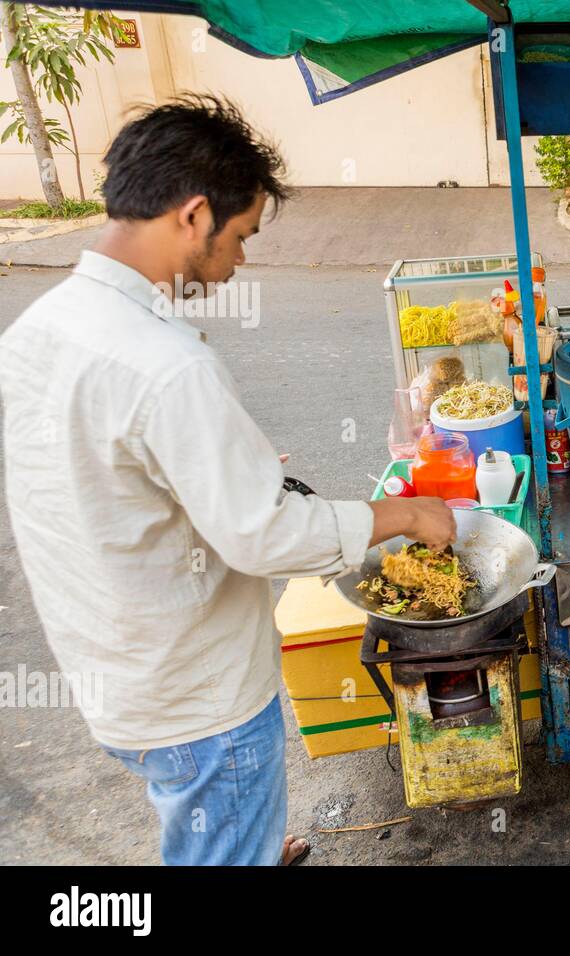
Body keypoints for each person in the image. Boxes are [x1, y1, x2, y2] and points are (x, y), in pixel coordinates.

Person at [0, 95, 457, 866]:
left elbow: (99, 484)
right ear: (193, 214)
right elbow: (263, 534)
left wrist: (218, 478)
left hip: (114, 682)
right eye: (240, 236)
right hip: (199, 704)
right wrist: (407, 515)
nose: (239, 260)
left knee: (210, 827)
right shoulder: (164, 364)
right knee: (220, 834)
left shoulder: (36, 330)